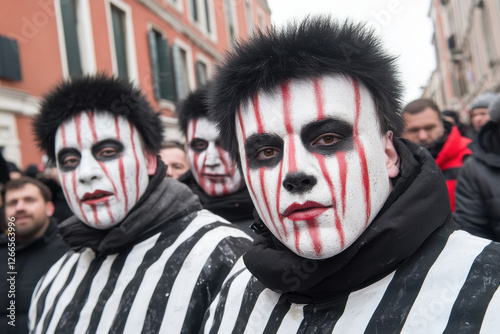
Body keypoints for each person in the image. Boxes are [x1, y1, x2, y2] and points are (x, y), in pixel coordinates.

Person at [200, 17, 500, 333]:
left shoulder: (488, 290)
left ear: (388, 154)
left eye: (327, 138)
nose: (294, 173)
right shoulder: (232, 298)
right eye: (266, 152)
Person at [28, 75, 252, 334]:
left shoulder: (226, 256)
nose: (86, 173)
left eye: (107, 152)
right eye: (69, 160)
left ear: (149, 160)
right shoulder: (53, 280)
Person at [177, 85, 255, 234]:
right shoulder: (168, 218)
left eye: (225, 143)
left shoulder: (279, 221)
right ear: (187, 148)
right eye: (199, 145)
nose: (211, 161)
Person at [0, 177, 69, 334]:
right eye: (12, 203)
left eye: (29, 200)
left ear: (49, 208)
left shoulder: (72, 252)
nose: (19, 208)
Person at [401, 98, 471, 211]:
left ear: (441, 124)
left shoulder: (471, 153)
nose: (423, 136)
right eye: (413, 130)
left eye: (429, 128)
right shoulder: (394, 166)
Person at [455, 95, 500, 241]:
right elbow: (472, 229)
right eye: (474, 115)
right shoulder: (473, 167)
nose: (478, 119)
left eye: (482, 113)